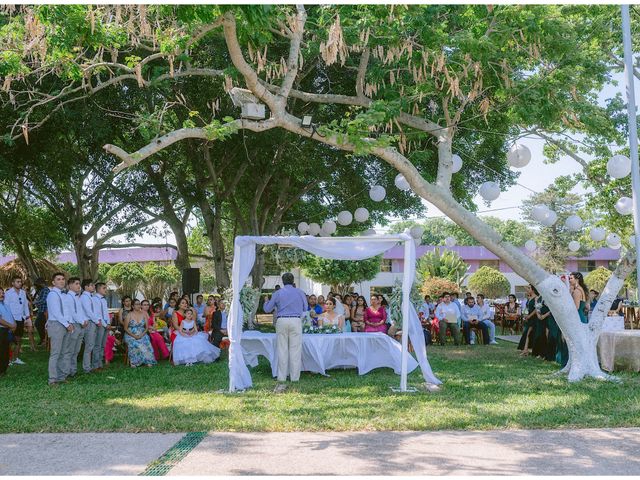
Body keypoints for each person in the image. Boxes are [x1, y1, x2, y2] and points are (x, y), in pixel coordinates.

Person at [263, 272, 308, 392]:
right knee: (295, 349)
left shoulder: (277, 293)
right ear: (293, 281)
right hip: (295, 320)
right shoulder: (300, 292)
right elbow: (306, 308)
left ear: (283, 281)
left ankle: (282, 376)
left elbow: (267, 309)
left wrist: (266, 301)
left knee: (282, 349)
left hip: (282, 320)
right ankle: (295, 377)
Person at [46, 272, 72, 385]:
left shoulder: (63, 295)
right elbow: (56, 312)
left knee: (64, 352)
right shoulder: (52, 294)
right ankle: (52, 379)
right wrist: (67, 324)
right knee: (55, 353)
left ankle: (61, 377)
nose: (61, 281)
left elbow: (66, 311)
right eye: (58, 279)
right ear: (53, 282)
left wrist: (69, 323)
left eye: (63, 279)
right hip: (57, 324)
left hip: (65, 324)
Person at [4, 275, 30, 365]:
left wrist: (27, 317)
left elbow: (25, 305)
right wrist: (10, 320)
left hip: (20, 318)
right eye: (17, 282)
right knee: (10, 340)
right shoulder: (8, 293)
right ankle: (8, 359)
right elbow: (6, 308)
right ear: (13, 283)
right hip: (11, 319)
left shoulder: (23, 292)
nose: (20, 283)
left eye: (20, 281)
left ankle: (16, 358)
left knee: (19, 339)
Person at [123, 299, 156, 367]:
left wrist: (141, 335)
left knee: (146, 341)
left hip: (142, 333)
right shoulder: (129, 315)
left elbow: (146, 327)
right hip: (130, 334)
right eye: (137, 304)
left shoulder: (143, 314)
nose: (139, 306)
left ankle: (148, 361)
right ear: (132, 306)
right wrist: (134, 336)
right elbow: (125, 328)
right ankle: (134, 362)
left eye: (139, 304)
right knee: (134, 342)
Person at [62, 277, 85, 378]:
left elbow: (80, 311)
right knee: (70, 350)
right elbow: (72, 312)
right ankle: (66, 371)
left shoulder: (77, 297)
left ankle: (73, 370)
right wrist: (81, 321)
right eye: (76, 284)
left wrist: (84, 320)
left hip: (80, 325)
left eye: (79, 284)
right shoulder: (68, 297)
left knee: (76, 350)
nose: (78, 286)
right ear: (70, 285)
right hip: (74, 324)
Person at [93, 282, 110, 370]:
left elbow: (106, 313)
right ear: (98, 289)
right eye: (104, 288)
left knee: (103, 345)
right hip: (100, 325)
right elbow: (98, 314)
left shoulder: (104, 299)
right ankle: (95, 365)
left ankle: (100, 363)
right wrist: (104, 324)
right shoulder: (95, 299)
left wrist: (109, 323)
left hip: (106, 324)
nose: (105, 290)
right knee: (97, 345)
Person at [518, 285, 539, 356]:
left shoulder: (536, 298)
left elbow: (536, 309)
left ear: (533, 290)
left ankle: (526, 350)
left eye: (529, 288)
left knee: (528, 333)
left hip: (534, 318)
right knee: (527, 333)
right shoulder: (529, 297)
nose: (528, 289)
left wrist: (529, 316)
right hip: (528, 317)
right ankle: (526, 349)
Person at [0, 288, 16, 377]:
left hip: (7, 330)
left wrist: (14, 324)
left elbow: (10, 316)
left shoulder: (5, 305)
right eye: (0, 293)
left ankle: (3, 370)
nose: (2, 295)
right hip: (1, 330)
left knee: (6, 350)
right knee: (1, 350)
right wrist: (10, 325)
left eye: (3, 293)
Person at [33, 277, 49, 347]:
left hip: (44, 311)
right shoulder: (42, 290)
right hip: (41, 310)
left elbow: (44, 300)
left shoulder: (45, 290)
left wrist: (35, 302)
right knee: (40, 325)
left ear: (41, 283)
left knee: (38, 324)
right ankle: (44, 340)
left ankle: (44, 340)